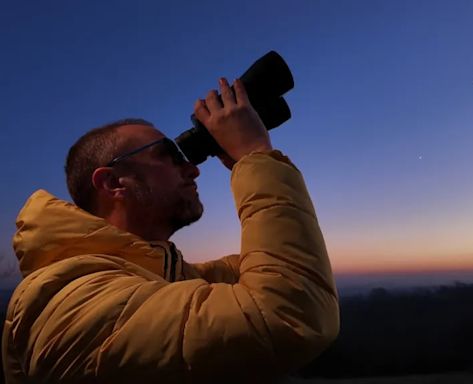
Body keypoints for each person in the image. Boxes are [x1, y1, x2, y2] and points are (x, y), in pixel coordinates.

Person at [2, 78, 340, 383]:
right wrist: (253, 155)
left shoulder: (165, 274)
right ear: (113, 182)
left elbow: (279, 264)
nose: (193, 169)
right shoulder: (73, 306)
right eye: (169, 156)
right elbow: (289, 314)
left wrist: (238, 156)